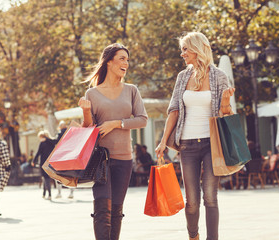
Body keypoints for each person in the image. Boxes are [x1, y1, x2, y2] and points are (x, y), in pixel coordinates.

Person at [155, 32, 234, 240]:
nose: (182, 54)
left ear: (198, 48)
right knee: (191, 200)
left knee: (210, 197)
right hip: (187, 145)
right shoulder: (183, 77)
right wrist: (163, 141)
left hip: (211, 144)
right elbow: (174, 110)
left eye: (185, 49)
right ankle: (193, 236)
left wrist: (225, 102)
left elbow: (227, 114)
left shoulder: (219, 77)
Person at [78, 43, 148, 240]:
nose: (126, 63)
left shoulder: (131, 90)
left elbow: (142, 119)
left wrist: (116, 124)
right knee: (102, 209)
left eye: (127, 59)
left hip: (124, 158)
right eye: (122, 58)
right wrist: (85, 112)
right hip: (100, 160)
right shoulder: (92, 93)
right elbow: (87, 128)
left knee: (116, 210)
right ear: (109, 62)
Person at [53, 121, 74, 199]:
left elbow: (55, 142)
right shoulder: (70, 133)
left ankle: (59, 193)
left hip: (61, 157)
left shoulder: (59, 134)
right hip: (70, 156)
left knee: (57, 175)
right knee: (71, 175)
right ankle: (71, 193)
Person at [33, 130, 55, 200]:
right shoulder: (51, 142)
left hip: (43, 163)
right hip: (50, 162)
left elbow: (38, 153)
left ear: (43, 137)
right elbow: (54, 142)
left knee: (46, 178)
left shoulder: (42, 143)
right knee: (46, 178)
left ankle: (49, 194)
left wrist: (34, 160)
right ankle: (44, 193)